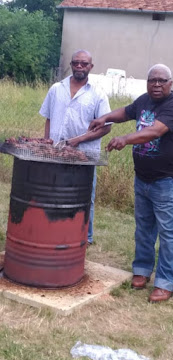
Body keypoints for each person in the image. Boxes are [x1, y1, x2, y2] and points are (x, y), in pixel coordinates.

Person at [89, 64, 173, 303]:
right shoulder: (145, 100)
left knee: (167, 232)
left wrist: (125, 139)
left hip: (167, 180)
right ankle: (142, 270)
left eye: (161, 81)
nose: (156, 84)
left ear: (170, 83)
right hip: (142, 177)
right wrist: (105, 117)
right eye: (152, 80)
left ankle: (165, 282)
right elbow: (126, 112)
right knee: (143, 228)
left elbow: (154, 132)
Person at [39, 49, 111, 246]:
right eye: (76, 63)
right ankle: (54, 231)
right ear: (71, 65)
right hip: (56, 152)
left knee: (84, 196)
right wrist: (46, 145)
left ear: (91, 67)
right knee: (53, 192)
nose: (79, 66)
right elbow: (49, 118)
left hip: (84, 155)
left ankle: (84, 237)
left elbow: (106, 128)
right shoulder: (56, 89)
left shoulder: (98, 94)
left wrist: (79, 140)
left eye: (84, 63)